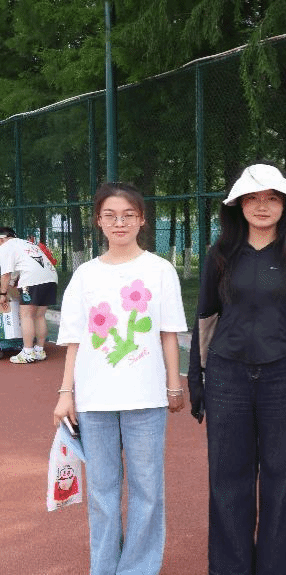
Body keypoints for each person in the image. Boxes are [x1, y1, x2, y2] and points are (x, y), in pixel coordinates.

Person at [187, 163, 286, 575]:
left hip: (281, 376)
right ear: (239, 205)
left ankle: (275, 567)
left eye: (272, 198)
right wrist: (197, 380)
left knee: (280, 477)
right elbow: (205, 317)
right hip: (227, 376)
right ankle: (230, 566)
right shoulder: (220, 254)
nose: (262, 206)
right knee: (228, 476)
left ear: (285, 206)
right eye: (253, 198)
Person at [52, 182, 187, 574]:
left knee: (148, 491)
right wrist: (66, 393)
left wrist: (174, 384)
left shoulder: (159, 270)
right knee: (102, 492)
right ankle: (104, 566)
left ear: (141, 219)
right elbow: (74, 340)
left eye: (128, 215)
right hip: (94, 401)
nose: (120, 222)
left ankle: (138, 568)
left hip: (146, 399)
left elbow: (168, 333)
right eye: (110, 215)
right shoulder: (85, 275)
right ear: (98, 221)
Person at [0, 226, 59, 363]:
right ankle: (39, 350)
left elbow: (6, 275)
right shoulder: (26, 244)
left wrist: (2, 294)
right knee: (39, 316)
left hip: (32, 281)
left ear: (2, 239)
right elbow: (16, 273)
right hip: (51, 278)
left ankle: (27, 352)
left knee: (26, 315)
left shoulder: (6, 247)